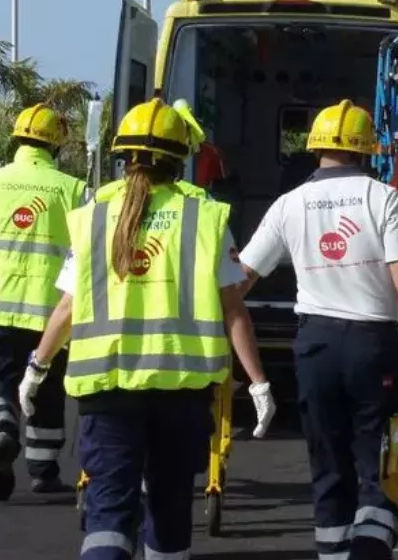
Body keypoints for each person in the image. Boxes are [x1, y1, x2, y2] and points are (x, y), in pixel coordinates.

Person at [19, 97, 277, 560]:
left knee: (108, 512)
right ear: (182, 159)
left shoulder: (94, 218)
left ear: (123, 157)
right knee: (169, 508)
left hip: (106, 389)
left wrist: (37, 366)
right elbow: (233, 310)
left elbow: (68, 306)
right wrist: (258, 382)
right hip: (181, 392)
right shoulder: (204, 217)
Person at [235, 99, 398, 560]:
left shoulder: (288, 204)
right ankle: (368, 551)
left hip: (314, 345)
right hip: (371, 346)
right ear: (366, 148)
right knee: (378, 464)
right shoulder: (382, 198)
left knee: (329, 465)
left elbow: (241, 279)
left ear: (315, 148)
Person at [0, 104, 87, 501]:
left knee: (2, 376)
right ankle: (43, 471)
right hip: (52, 312)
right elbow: (87, 250)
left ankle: (2, 427)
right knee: (47, 387)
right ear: (56, 145)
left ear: (17, 139)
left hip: (2, 305)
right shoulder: (72, 189)